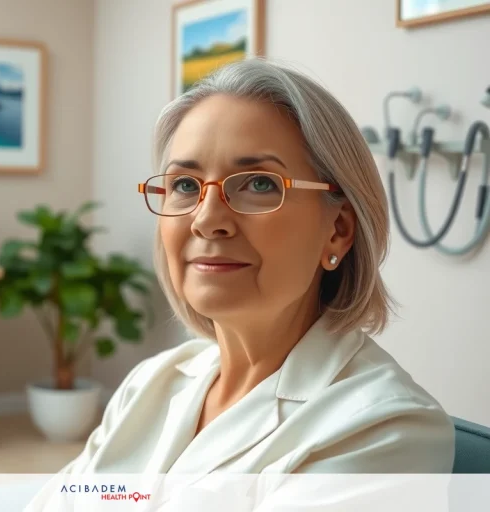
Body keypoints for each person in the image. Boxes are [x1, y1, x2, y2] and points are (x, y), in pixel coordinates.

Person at [24, 58, 455, 510]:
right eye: (186, 185)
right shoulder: (149, 384)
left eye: (258, 184)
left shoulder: (386, 432)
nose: (208, 220)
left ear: (338, 229)